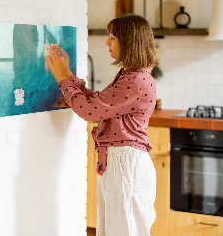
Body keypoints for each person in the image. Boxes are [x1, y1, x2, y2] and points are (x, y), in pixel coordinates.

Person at [46, 14, 158, 236]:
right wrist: (67, 73)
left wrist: (61, 78)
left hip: (126, 165)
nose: (107, 42)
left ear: (129, 42)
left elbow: (89, 111)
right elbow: (97, 103)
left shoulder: (135, 81)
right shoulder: (131, 76)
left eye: (113, 37)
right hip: (121, 163)